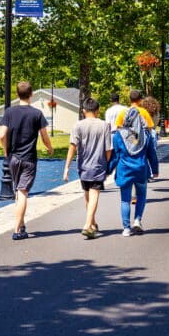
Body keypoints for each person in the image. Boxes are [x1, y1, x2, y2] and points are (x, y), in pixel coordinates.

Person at [0, 80, 53, 240]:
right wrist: (50, 148)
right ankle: (17, 230)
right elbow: (44, 136)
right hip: (29, 158)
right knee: (23, 192)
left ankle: (21, 225)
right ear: (31, 95)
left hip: (14, 158)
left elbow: (2, 134)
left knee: (18, 191)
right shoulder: (37, 114)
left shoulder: (9, 112)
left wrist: (5, 150)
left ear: (17, 94)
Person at [108, 91, 160, 236]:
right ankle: (137, 220)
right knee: (141, 195)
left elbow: (115, 156)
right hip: (141, 169)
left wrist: (108, 170)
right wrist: (155, 169)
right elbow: (152, 153)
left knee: (125, 200)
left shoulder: (119, 136)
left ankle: (126, 228)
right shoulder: (146, 136)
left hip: (124, 170)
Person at [63, 97, 113, 239]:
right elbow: (108, 148)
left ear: (83, 111)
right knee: (94, 195)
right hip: (98, 165)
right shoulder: (104, 125)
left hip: (83, 166)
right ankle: (87, 225)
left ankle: (92, 224)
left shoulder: (77, 126)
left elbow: (72, 146)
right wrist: (107, 163)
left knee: (88, 196)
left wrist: (66, 167)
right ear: (98, 111)